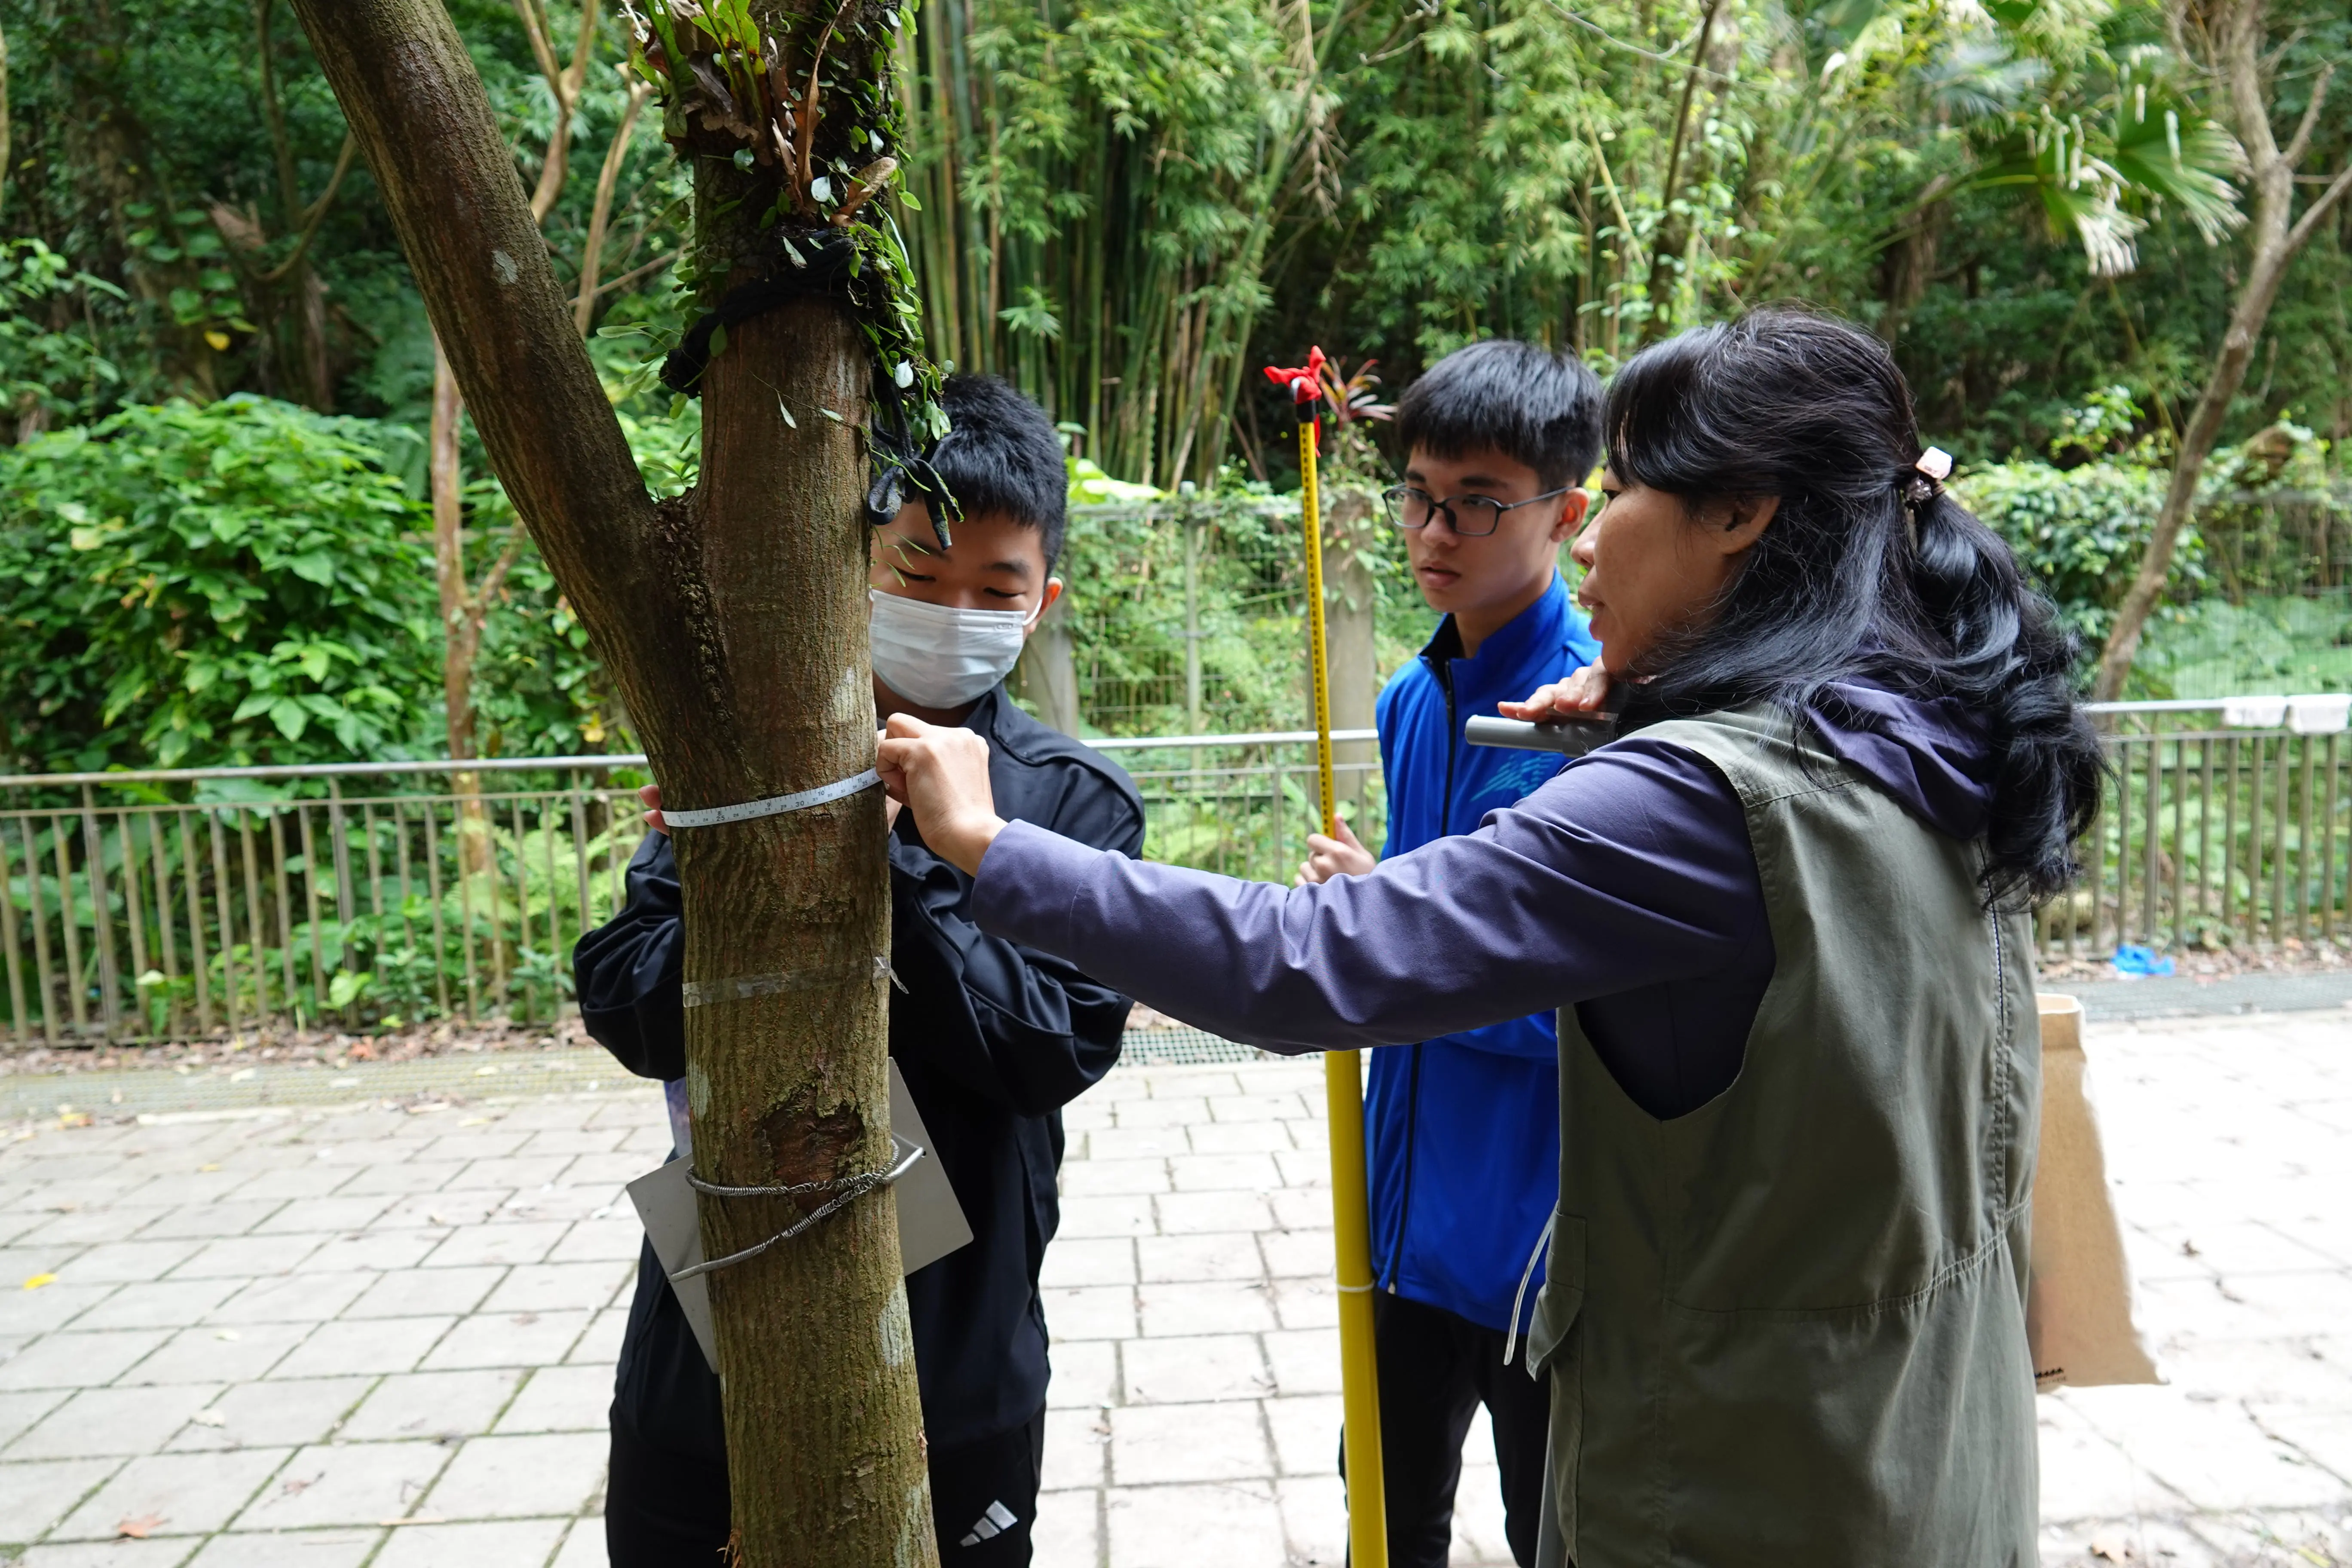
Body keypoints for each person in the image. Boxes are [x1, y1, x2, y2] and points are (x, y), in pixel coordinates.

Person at [877, 309, 2103, 1568]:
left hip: (1742, 1475)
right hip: (1924, 1447)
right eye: (1421, 499)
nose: (1590, 541)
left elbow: (1313, 958)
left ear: (1738, 513)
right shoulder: (1930, 730)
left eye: (1618, 490)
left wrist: (989, 844)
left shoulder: (1701, 799)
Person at [577, 374, 1146, 1567]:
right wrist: (757, 855)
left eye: (995, 588)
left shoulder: (1071, 805)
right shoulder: (740, 767)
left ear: (1043, 599)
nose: (953, 611)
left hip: (956, 1357)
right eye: (918, 574)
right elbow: (629, 1005)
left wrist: (921, 863)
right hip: (711, 1339)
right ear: (856, 564)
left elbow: (1048, 1051)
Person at [1294, 340, 1602, 1568]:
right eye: (1419, 496)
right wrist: (1381, 905)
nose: (1435, 531)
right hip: (1398, 1223)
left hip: (1536, 1241)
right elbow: (1429, 920)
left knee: (1554, 1532)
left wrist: (1388, 931)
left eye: (1479, 502)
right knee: (1383, 1519)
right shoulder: (1410, 700)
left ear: (1568, 512)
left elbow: (1584, 1004)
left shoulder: (1593, 718)